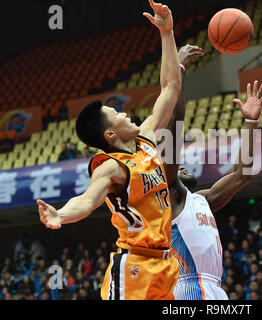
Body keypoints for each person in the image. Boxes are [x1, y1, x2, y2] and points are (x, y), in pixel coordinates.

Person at [36, 0, 182, 300]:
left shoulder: (146, 138)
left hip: (166, 264)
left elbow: (169, 88)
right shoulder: (110, 167)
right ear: (110, 133)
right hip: (135, 266)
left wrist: (167, 34)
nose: (124, 112)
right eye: (116, 112)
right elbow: (87, 201)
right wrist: (60, 215)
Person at [163, 61, 262, 300]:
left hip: (214, 288)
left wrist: (251, 123)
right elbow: (172, 135)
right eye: (176, 168)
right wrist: (177, 72)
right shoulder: (171, 197)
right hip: (188, 285)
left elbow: (245, 173)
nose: (181, 167)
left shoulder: (202, 199)